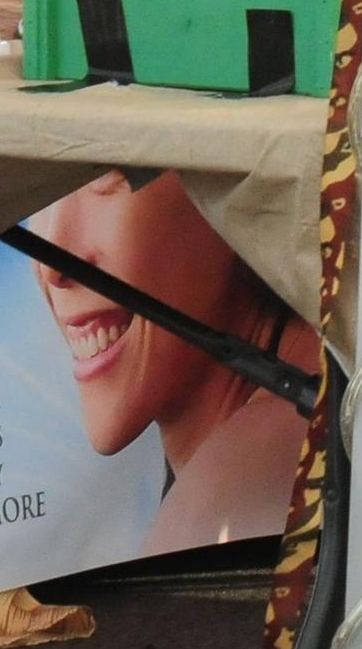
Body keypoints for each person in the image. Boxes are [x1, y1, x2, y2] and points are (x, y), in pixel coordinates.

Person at [24, 167, 318, 553]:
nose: (51, 266)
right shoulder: (322, 382)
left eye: (103, 176)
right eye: (34, 193)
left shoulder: (237, 488)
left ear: (233, 192)